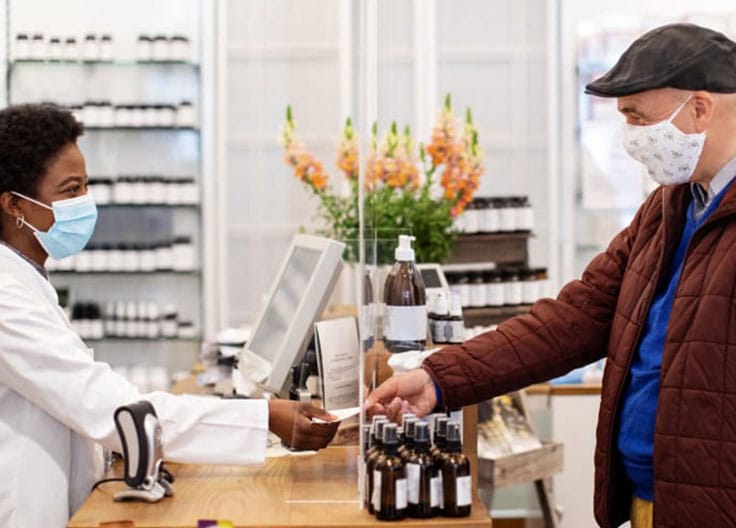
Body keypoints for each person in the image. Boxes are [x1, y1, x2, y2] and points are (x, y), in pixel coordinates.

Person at [366, 23, 736, 528]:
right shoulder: (666, 209)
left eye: (638, 119)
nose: (630, 139)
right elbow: (573, 319)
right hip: (649, 501)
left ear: (699, 109)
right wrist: (439, 378)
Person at [0, 104, 339, 527]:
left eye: (86, 186)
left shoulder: (26, 276)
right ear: (15, 204)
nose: (84, 203)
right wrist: (263, 417)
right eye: (70, 190)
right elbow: (107, 409)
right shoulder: (6, 296)